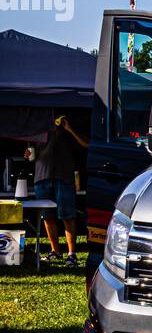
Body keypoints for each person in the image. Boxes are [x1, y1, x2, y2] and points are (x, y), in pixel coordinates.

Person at [33, 112, 88, 267]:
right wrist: (27, 155)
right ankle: (55, 251)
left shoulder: (68, 130)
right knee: (47, 216)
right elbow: (30, 152)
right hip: (41, 177)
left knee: (67, 216)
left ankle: (72, 254)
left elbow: (86, 144)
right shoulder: (38, 129)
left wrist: (69, 129)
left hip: (64, 176)